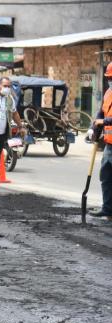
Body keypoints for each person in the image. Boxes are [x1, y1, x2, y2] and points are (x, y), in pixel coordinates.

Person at [88, 62, 112, 220]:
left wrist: (103, 122)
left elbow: (104, 119)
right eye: (109, 78)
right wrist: (93, 128)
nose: (110, 80)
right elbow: (101, 112)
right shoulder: (108, 92)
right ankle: (108, 209)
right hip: (109, 144)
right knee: (106, 176)